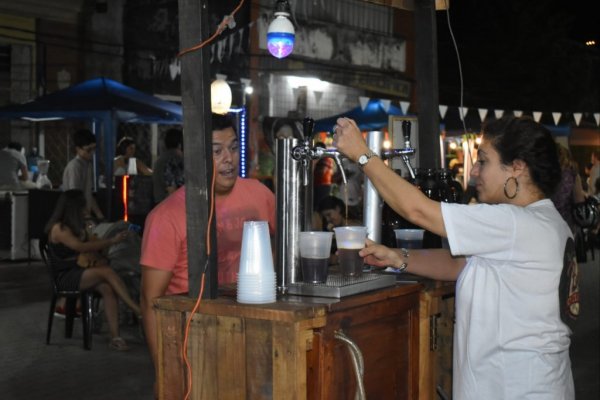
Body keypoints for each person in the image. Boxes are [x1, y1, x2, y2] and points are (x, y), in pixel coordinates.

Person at [333, 115, 574, 399]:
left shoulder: (514, 223)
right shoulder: (547, 223)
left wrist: (362, 154)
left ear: (517, 168)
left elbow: (418, 210)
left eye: (483, 161)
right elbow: (462, 265)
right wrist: (398, 257)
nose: (473, 173)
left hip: (516, 389)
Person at [140, 113, 276, 375]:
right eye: (217, 151)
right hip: (193, 342)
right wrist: (165, 372)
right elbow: (150, 301)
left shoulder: (260, 195)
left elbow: (280, 248)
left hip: (254, 335)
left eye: (234, 148)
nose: (229, 158)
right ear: (196, 157)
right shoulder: (165, 217)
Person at [45, 189, 142, 351]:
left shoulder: (76, 226)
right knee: (106, 271)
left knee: (107, 288)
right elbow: (80, 247)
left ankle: (115, 337)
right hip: (65, 276)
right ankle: (136, 309)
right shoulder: (59, 229)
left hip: (79, 271)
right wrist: (111, 241)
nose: (86, 209)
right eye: (83, 206)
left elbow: (89, 248)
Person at [62, 129, 105, 221]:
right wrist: (87, 217)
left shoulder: (87, 165)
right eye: (89, 150)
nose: (92, 153)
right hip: (75, 217)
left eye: (94, 149)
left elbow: (88, 194)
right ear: (78, 149)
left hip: (84, 216)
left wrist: (99, 215)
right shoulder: (74, 166)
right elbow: (75, 197)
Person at [551, 143, 586, 233]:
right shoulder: (572, 175)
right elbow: (579, 202)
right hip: (566, 223)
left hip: (547, 220)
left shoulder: (546, 174)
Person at [152, 128, 184, 203]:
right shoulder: (177, 160)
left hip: (158, 205)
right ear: (180, 143)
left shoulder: (159, 160)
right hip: (172, 205)